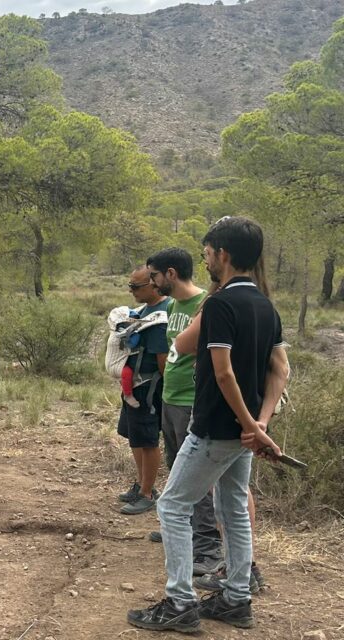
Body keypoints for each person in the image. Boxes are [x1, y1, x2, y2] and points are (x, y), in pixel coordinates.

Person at [128, 216, 289, 633]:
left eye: (208, 253)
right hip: (242, 433)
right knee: (232, 506)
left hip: (217, 426)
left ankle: (180, 601)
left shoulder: (220, 303)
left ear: (224, 254)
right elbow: (280, 370)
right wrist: (258, 424)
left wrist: (250, 424)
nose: (206, 259)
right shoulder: (265, 304)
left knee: (172, 504)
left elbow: (222, 374)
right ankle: (237, 597)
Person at [145, 249, 223, 573]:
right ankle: (182, 531)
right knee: (177, 469)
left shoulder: (205, 303)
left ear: (171, 274)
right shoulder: (174, 305)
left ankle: (207, 548)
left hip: (193, 400)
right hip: (171, 397)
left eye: (154, 276)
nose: (152, 282)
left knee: (197, 479)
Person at [113, 265, 171, 515]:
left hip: (149, 386)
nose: (132, 291)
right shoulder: (144, 310)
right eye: (130, 286)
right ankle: (141, 484)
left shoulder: (162, 313)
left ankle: (148, 492)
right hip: (133, 385)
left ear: (154, 283)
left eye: (137, 286)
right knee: (134, 436)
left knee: (147, 439)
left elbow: (162, 357)